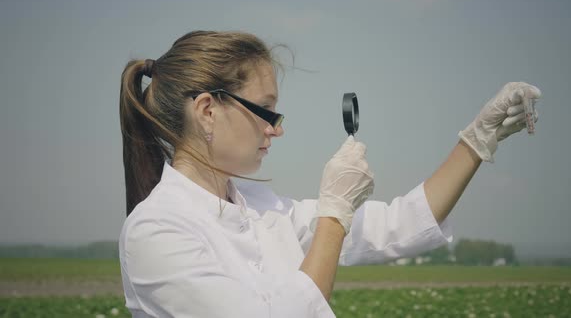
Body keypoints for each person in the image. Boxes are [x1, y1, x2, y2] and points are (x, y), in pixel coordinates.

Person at [118, 30, 540, 318]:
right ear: (208, 111)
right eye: (266, 110)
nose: (277, 129)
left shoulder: (262, 210)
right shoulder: (156, 231)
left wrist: (477, 141)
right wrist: (334, 215)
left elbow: (398, 224)